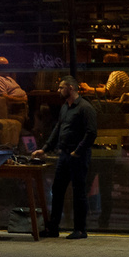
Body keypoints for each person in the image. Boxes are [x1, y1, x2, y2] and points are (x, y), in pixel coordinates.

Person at [33, 76, 98, 238]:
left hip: (78, 156)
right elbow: (58, 129)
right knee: (58, 189)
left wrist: (78, 151)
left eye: (61, 87)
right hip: (65, 154)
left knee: (78, 191)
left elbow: (91, 133)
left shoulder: (85, 108)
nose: (59, 90)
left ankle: (80, 229)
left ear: (71, 88)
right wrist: (45, 148)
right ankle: (53, 228)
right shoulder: (65, 108)